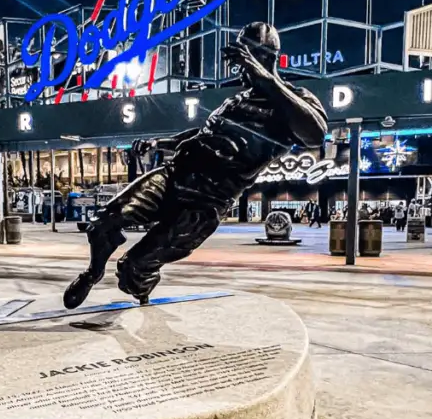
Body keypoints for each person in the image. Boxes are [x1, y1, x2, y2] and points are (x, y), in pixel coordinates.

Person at [63, 22, 328, 308]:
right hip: (174, 176)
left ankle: (141, 286)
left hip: (204, 203)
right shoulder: (236, 100)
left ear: (265, 59)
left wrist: (266, 79)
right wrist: (158, 143)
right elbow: (202, 134)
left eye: (244, 60)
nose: (239, 70)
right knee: (103, 223)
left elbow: (315, 133)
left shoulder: (292, 101)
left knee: (133, 270)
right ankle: (93, 272)